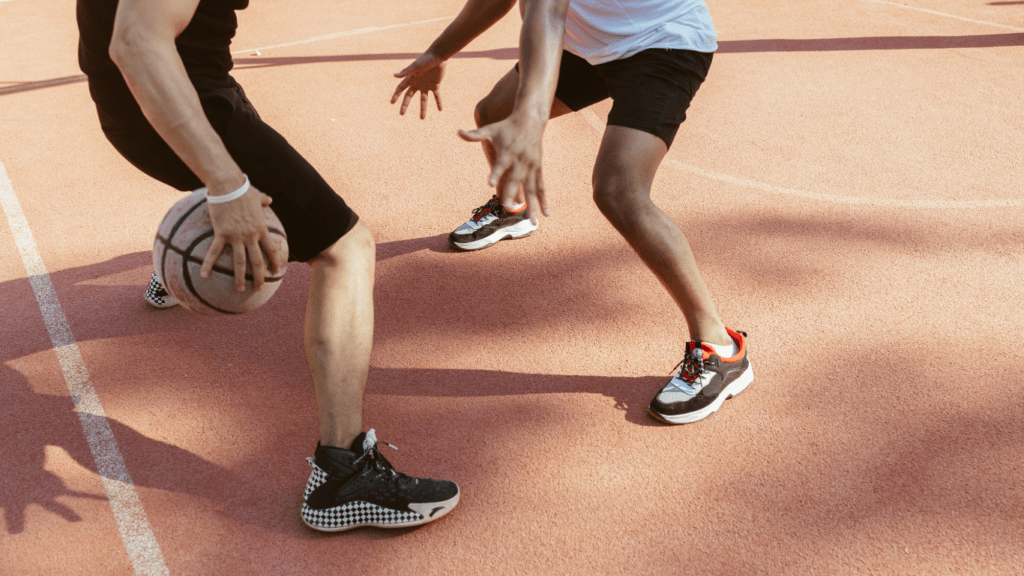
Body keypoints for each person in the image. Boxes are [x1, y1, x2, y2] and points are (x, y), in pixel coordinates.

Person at [76, 0, 459, 531]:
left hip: (149, 97)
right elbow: (138, 44)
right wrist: (225, 183)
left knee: (246, 171)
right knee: (345, 247)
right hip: (176, 92)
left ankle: (191, 266)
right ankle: (343, 475)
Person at [392, 0, 753, 424]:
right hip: (585, 46)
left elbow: (546, 12)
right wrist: (440, 52)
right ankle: (513, 209)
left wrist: (530, 117)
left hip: (661, 44)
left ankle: (721, 349)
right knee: (494, 113)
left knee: (619, 192)